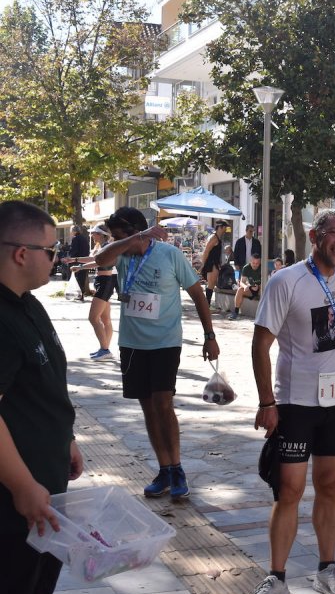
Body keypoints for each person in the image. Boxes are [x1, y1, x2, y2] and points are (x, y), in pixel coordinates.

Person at [245, 210, 335, 594]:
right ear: (314, 236)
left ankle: (327, 569)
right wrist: (267, 403)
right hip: (294, 404)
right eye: (334, 235)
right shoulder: (285, 281)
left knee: (330, 486)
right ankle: (276, 579)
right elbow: (260, 346)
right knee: (289, 491)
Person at [0, 200, 83, 594]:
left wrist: (65, 437)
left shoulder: (28, 304)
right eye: (51, 250)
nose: (58, 257)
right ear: (20, 253)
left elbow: (41, 382)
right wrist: (21, 486)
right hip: (15, 505)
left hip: (43, 494)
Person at [95, 207, 220, 500]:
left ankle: (176, 468)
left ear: (138, 230)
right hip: (132, 343)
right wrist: (132, 239)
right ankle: (164, 469)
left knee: (163, 402)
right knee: (148, 407)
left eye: (120, 236)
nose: (117, 242)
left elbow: (197, 294)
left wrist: (209, 335)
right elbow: (101, 259)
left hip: (165, 341)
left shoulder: (169, 254)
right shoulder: (122, 254)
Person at [69, 225, 117, 361]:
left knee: (93, 318)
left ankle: (105, 349)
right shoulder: (102, 246)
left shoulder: (107, 247)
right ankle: (105, 349)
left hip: (105, 282)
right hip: (103, 282)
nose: (92, 235)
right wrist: (75, 260)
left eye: (95, 233)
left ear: (101, 234)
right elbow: (94, 260)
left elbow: (97, 263)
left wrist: (80, 267)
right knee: (105, 319)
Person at [201, 220, 228, 308]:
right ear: (221, 227)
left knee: (211, 284)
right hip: (211, 264)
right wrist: (203, 265)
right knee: (211, 284)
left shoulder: (217, 237)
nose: (225, 230)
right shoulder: (214, 238)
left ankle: (206, 305)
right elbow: (206, 251)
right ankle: (206, 306)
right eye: (225, 227)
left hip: (214, 263)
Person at [228, 253, 262, 320]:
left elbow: (265, 281)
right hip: (250, 288)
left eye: (257, 263)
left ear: (260, 262)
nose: (255, 265)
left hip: (260, 288)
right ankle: (236, 312)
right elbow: (242, 282)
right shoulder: (246, 268)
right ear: (250, 261)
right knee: (240, 289)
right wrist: (245, 286)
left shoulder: (262, 267)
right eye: (253, 263)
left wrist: (258, 287)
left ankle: (262, 314)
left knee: (263, 289)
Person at [65, 225, 92, 301]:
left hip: (76, 261)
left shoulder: (75, 239)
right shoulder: (84, 238)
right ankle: (81, 295)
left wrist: (70, 258)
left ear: (74, 231)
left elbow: (74, 250)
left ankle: (78, 295)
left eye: (71, 231)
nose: (71, 232)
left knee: (76, 278)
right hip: (85, 260)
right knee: (81, 279)